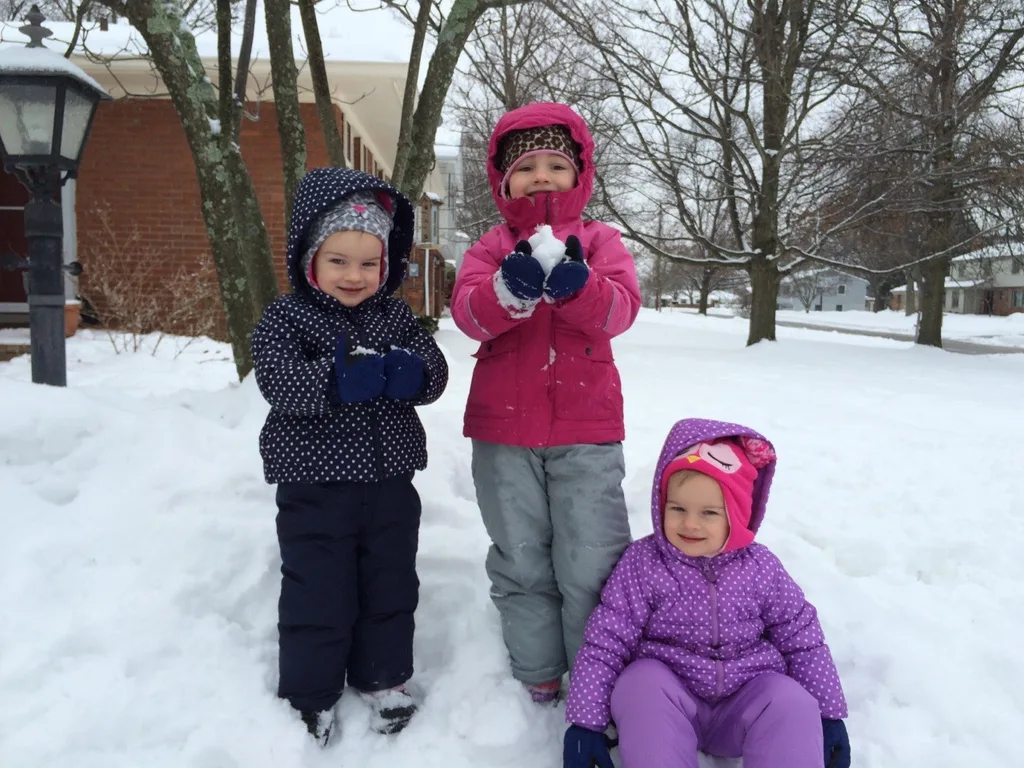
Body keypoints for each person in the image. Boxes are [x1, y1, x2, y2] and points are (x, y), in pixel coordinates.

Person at [450, 102, 642, 703]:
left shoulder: (601, 242)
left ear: (579, 173)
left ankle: (596, 676)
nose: (540, 176)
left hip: (587, 432)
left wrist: (580, 290)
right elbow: (469, 315)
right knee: (522, 558)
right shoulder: (488, 248)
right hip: (503, 437)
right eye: (524, 165)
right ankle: (538, 672)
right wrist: (508, 289)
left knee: (591, 559)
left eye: (554, 163)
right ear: (502, 179)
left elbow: (621, 310)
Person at [252, 167, 449, 745]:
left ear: (386, 265)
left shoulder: (395, 317)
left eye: (369, 263)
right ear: (309, 257)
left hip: (389, 484)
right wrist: (333, 381)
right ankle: (311, 695)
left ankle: (384, 679)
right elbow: (278, 381)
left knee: (390, 583)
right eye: (338, 261)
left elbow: (434, 372)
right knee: (319, 588)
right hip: (315, 487)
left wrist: (417, 376)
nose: (355, 275)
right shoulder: (286, 318)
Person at [563, 418, 851, 768]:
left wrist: (828, 714)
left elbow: (802, 637)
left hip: (745, 702)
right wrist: (586, 723)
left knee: (791, 700)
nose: (690, 524)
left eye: (709, 513)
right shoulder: (644, 563)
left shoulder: (760, 568)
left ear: (738, 515)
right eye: (678, 508)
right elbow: (605, 640)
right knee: (640, 683)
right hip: (669, 702)